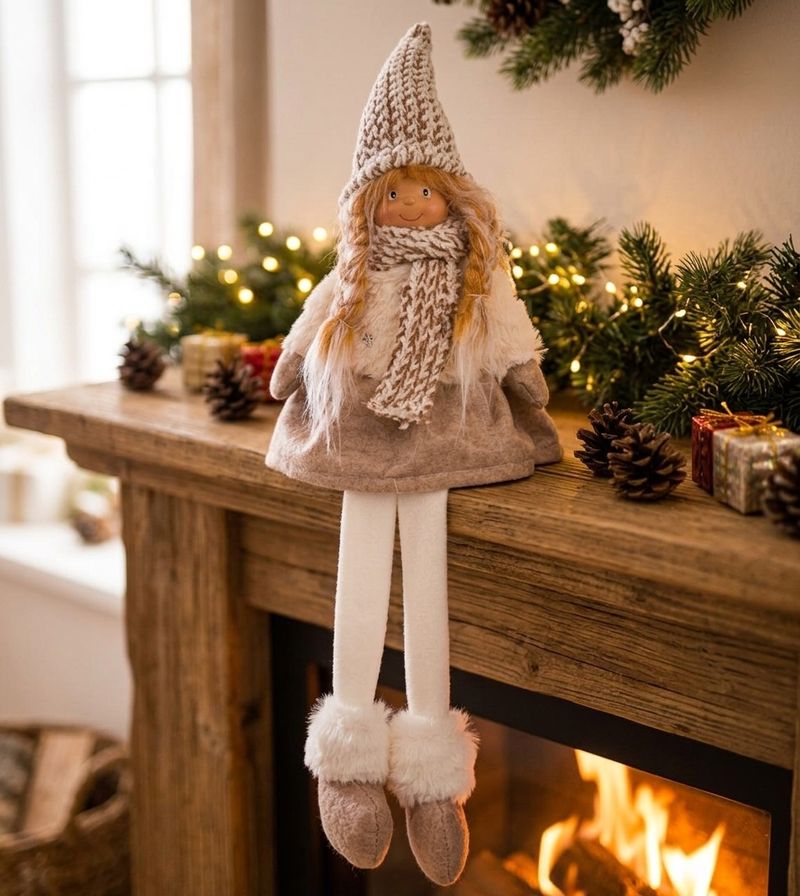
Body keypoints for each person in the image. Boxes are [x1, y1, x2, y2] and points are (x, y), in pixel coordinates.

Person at [266, 22, 562, 887]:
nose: (407, 204)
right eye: (390, 191)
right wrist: (289, 370)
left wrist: (530, 390)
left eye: (423, 189)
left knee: (428, 585)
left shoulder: (478, 276)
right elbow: (312, 326)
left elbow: (510, 341)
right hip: (364, 438)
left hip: (445, 437)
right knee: (358, 576)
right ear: (368, 200)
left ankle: (434, 781)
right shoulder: (352, 273)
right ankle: (347, 763)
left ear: (451, 195)